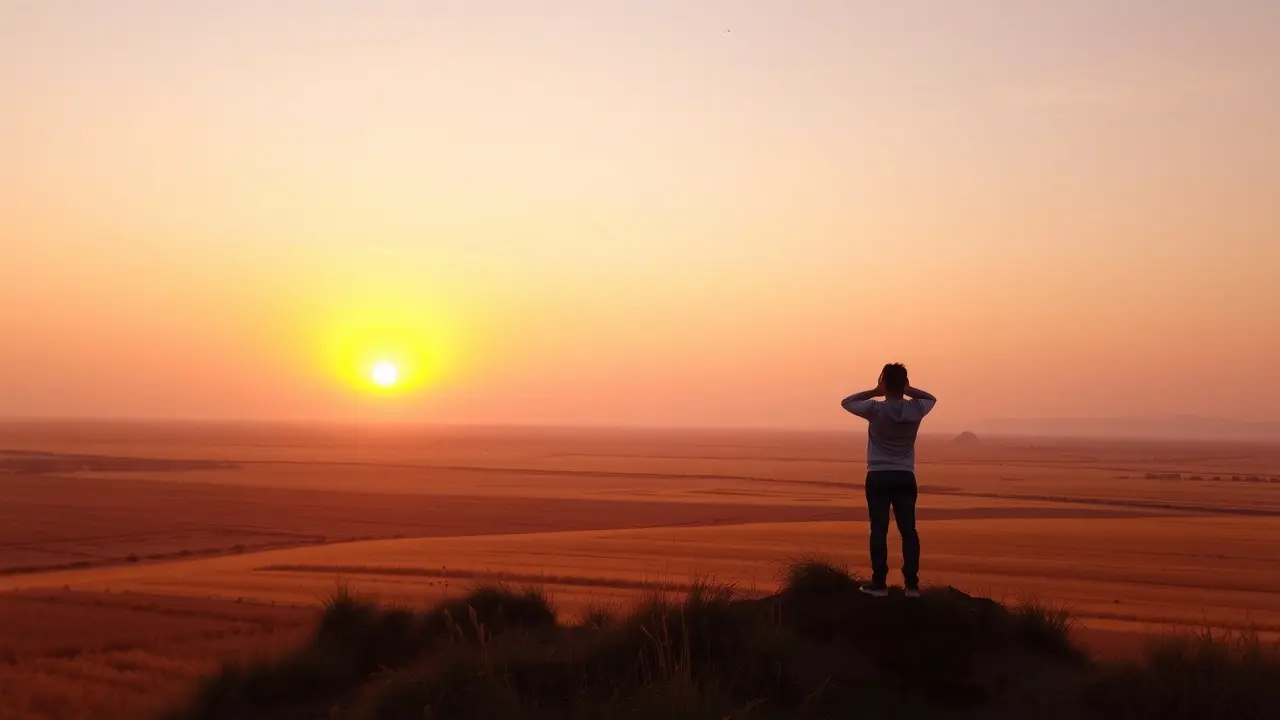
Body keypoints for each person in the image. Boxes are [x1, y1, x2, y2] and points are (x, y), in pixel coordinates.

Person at [840, 363, 936, 598]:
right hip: (904, 474)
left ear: (884, 382)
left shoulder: (875, 409)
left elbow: (847, 402)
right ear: (904, 383)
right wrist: (909, 389)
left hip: (878, 475)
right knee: (908, 531)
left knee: (878, 530)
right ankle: (912, 586)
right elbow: (931, 398)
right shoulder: (916, 409)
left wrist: (875, 391)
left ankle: (879, 583)